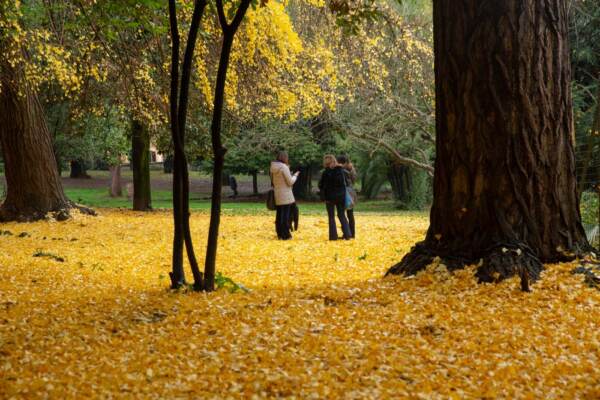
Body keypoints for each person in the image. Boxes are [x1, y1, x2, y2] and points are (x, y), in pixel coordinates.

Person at [318, 154, 352, 240]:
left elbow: (321, 185)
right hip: (340, 197)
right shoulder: (340, 171)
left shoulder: (325, 173)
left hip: (329, 198)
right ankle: (347, 234)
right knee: (341, 215)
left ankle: (333, 236)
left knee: (331, 217)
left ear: (326, 163)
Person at [270, 151, 299, 240]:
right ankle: (286, 235)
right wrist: (295, 176)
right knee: (285, 216)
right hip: (286, 195)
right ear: (285, 158)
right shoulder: (284, 167)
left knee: (279, 215)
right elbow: (290, 182)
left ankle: (279, 234)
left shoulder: (273, 167)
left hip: (278, 193)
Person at [337, 155, 357, 238]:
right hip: (351, 192)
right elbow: (354, 180)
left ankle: (347, 233)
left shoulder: (342, 171)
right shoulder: (352, 169)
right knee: (350, 214)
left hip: (344, 193)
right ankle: (352, 233)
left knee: (341, 214)